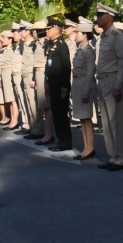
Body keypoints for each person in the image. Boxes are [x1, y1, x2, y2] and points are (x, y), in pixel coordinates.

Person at [92, 4, 123, 171]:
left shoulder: (116, 36)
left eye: (100, 16)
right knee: (106, 123)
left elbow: (122, 62)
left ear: (108, 17)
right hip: (102, 81)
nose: (97, 19)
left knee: (116, 122)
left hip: (112, 81)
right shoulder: (103, 37)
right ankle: (113, 156)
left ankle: (121, 158)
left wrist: (118, 85)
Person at [70, 22, 97, 160]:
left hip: (84, 85)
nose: (75, 35)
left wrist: (86, 91)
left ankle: (90, 148)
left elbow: (90, 72)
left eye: (78, 33)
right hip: (77, 84)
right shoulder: (79, 49)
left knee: (86, 118)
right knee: (82, 118)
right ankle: (86, 147)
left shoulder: (88, 50)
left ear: (85, 35)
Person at [44, 18, 73, 152]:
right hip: (53, 84)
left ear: (56, 30)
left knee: (61, 114)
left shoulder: (61, 45)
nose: (47, 31)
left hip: (60, 85)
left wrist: (65, 86)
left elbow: (66, 66)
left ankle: (65, 142)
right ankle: (60, 139)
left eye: (49, 29)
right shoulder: (52, 44)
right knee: (56, 114)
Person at [31, 21, 54, 146]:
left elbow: (49, 62)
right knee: (44, 106)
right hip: (38, 73)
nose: (34, 33)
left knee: (47, 106)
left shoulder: (47, 43)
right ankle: (47, 132)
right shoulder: (38, 43)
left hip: (44, 74)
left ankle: (49, 134)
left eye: (35, 31)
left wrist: (47, 80)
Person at [10, 22, 29, 134]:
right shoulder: (18, 45)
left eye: (15, 33)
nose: (13, 35)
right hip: (16, 76)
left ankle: (27, 124)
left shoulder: (23, 45)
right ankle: (25, 123)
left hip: (20, 75)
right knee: (22, 101)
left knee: (24, 101)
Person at [0, 31, 18, 130]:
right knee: (10, 100)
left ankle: (15, 121)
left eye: (4, 38)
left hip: (9, 74)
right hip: (5, 75)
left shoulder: (13, 50)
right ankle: (12, 119)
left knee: (13, 100)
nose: (2, 40)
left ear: (10, 39)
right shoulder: (5, 50)